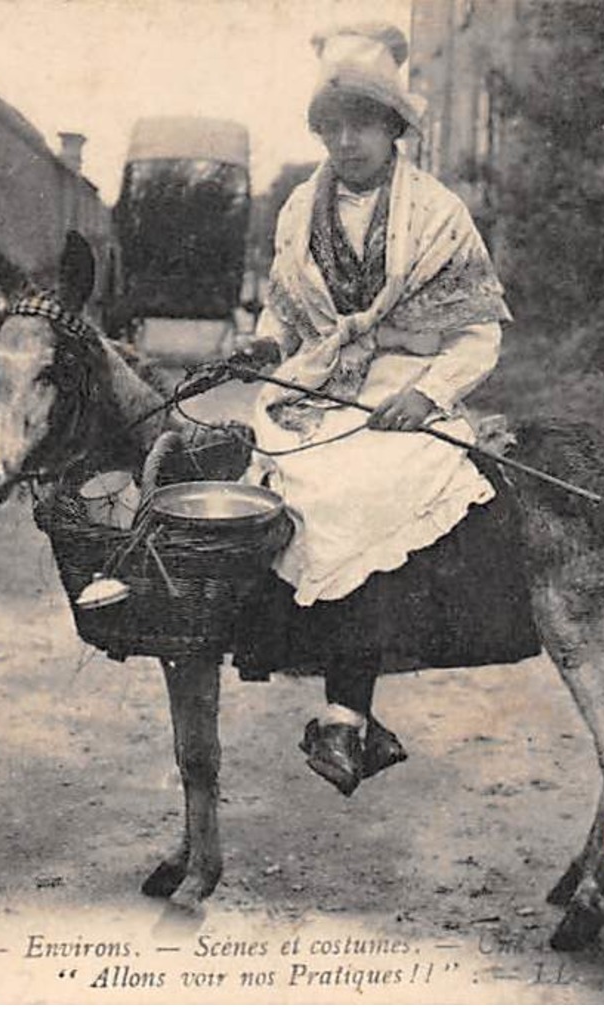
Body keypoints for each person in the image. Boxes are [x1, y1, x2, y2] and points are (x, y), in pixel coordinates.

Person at [237, 21, 513, 796]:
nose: (346, 140)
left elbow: (477, 332)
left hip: (403, 383)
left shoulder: (437, 214)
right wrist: (265, 347)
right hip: (315, 380)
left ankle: (348, 711)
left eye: (361, 123)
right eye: (331, 126)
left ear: (395, 128)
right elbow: (282, 309)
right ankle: (272, 640)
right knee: (265, 469)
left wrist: (426, 393)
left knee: (357, 481)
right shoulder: (299, 208)